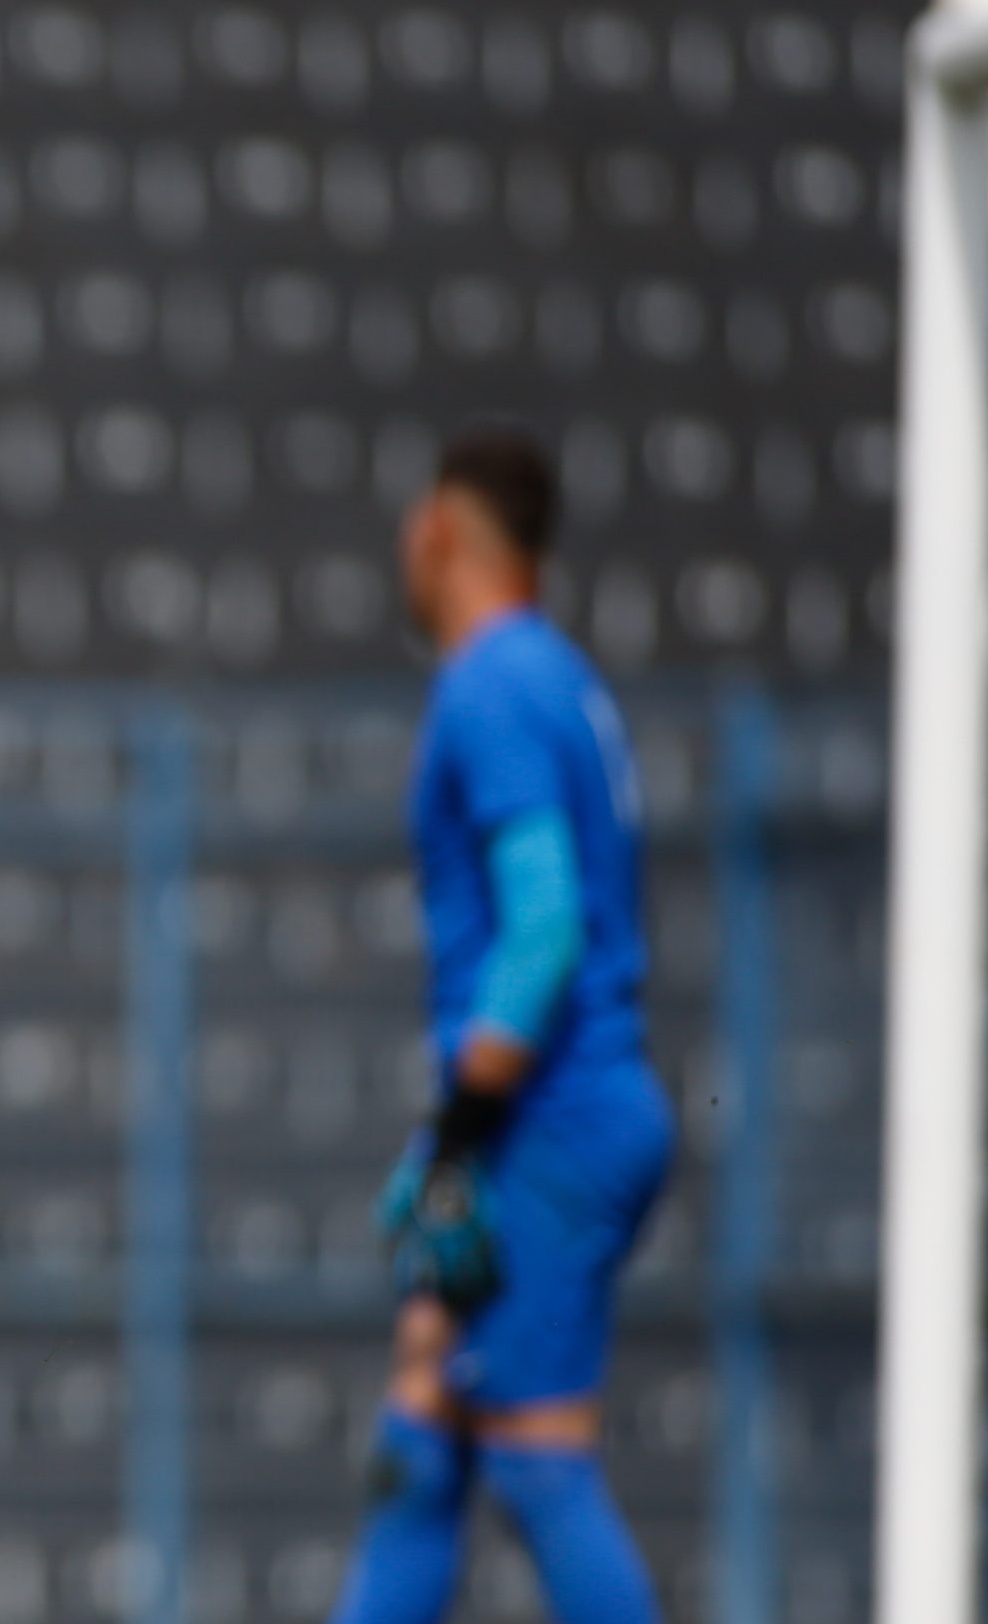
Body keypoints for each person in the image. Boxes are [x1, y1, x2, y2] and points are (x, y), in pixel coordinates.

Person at [330, 429, 675, 1624]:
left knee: (534, 1455)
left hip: (547, 1122)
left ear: (437, 533)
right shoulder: (561, 677)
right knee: (424, 1428)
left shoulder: (489, 686)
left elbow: (542, 933)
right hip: (565, 1111)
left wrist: (461, 1133)